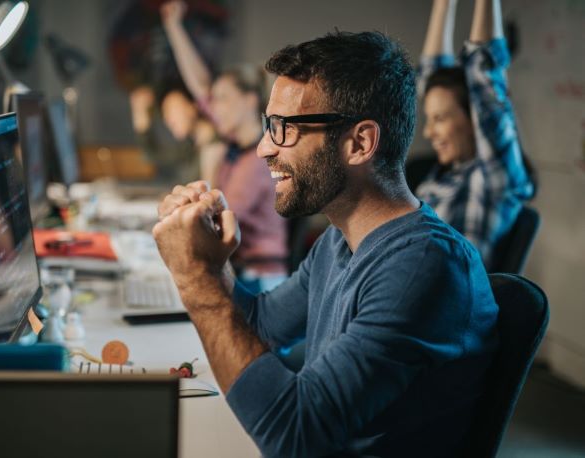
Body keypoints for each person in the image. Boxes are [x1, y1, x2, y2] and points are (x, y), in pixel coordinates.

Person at [152, 29, 499, 457]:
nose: (263, 148)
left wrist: (194, 279)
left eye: (284, 129)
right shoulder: (340, 239)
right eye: (267, 126)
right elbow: (258, 326)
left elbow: (295, 435)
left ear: (359, 143)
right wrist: (208, 263)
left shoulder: (423, 265)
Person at [160, 1, 288, 292]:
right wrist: (174, 27)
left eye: (223, 99)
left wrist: (209, 166)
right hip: (242, 270)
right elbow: (200, 86)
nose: (213, 108)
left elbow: (217, 226)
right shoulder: (237, 144)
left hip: (260, 280)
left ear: (249, 100)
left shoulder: (258, 160)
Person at [415, 0, 535, 270]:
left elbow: (484, 74)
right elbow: (432, 79)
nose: (428, 132)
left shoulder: (492, 180)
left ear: (474, 119)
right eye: (429, 118)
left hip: (448, 307)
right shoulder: (449, 173)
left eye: (440, 119)